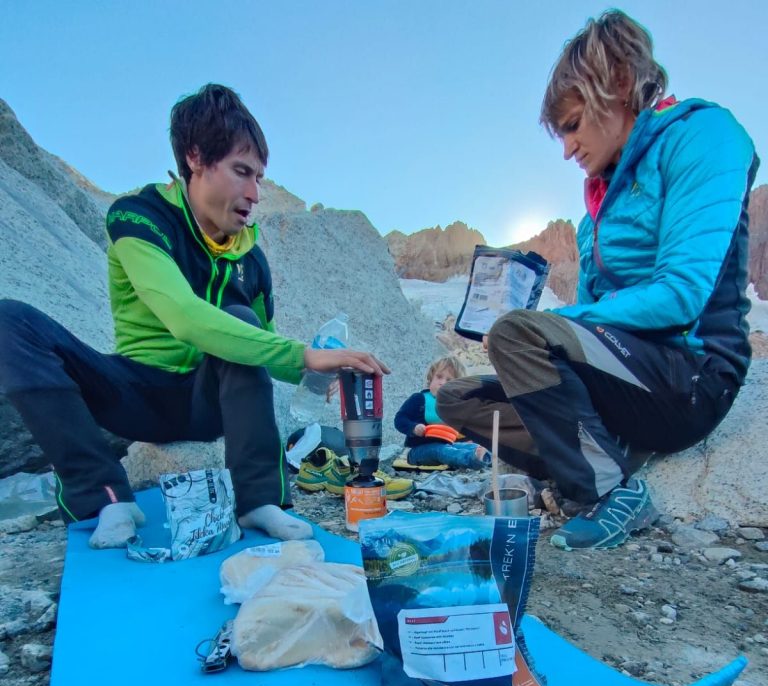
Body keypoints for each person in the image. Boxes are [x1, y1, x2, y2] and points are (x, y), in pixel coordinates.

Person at [0, 84, 388, 548]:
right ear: (195, 157)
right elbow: (184, 317)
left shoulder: (254, 262)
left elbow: (259, 349)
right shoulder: (139, 217)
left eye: (260, 178)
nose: (255, 193)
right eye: (242, 172)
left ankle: (259, 500)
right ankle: (106, 498)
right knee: (11, 321)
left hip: (209, 404)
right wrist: (304, 354)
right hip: (136, 395)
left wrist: (317, 370)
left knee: (240, 317)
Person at [437, 9, 758, 550]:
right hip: (626, 382)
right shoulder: (595, 212)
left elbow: (681, 295)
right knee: (458, 400)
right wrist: (534, 341)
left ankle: (610, 492)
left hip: (691, 376)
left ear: (620, 86)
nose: (566, 149)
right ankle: (596, 455)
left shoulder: (703, 135)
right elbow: (588, 325)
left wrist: (543, 326)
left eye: (573, 124)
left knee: (523, 332)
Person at [394, 356, 490, 469]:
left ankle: (489, 458)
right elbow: (399, 419)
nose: (442, 383)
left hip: (447, 444)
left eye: (449, 380)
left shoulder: (456, 405)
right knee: (441, 450)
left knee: (470, 446)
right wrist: (413, 428)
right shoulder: (419, 399)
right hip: (418, 450)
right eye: (439, 377)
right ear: (431, 378)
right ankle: (474, 460)